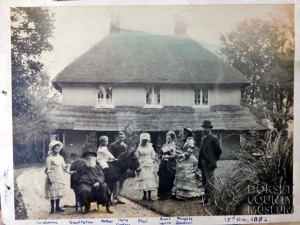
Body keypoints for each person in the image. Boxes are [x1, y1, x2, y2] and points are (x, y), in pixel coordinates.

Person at [172, 128, 203, 200]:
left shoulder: (191, 141)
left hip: (189, 160)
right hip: (184, 160)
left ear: (187, 134)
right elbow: (184, 151)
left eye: (184, 133)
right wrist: (177, 152)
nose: (183, 135)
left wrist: (179, 155)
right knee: (182, 175)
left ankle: (190, 194)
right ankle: (182, 194)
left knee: (187, 174)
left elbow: (188, 153)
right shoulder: (186, 141)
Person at [198, 120, 222, 205]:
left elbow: (219, 151)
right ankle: (206, 199)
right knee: (204, 181)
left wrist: (213, 160)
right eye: (203, 128)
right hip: (202, 163)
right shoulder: (203, 138)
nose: (204, 129)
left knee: (210, 181)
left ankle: (211, 200)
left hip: (209, 164)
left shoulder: (213, 138)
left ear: (209, 129)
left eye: (206, 128)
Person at [44, 140, 68, 213]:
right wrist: (49, 178)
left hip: (59, 176)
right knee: (52, 192)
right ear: (52, 149)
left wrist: (68, 171)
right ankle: (52, 208)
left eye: (58, 148)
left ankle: (57, 207)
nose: (57, 150)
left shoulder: (61, 158)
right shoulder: (49, 158)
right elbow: (48, 170)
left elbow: (64, 166)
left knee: (58, 192)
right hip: (52, 176)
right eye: (55, 149)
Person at [136, 133, 157, 201]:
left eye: (146, 140)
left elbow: (153, 156)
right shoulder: (139, 148)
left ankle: (150, 196)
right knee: (143, 179)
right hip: (142, 164)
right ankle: (144, 195)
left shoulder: (150, 147)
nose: (144, 141)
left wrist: (152, 161)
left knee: (149, 179)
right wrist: (139, 162)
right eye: (143, 140)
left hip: (149, 164)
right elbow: (137, 156)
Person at [108, 131, 127, 204]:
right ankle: (113, 197)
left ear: (124, 137)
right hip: (116, 166)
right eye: (120, 137)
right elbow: (109, 155)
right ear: (117, 137)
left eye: (122, 137)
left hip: (123, 167)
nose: (121, 138)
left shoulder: (126, 145)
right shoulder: (112, 145)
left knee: (122, 181)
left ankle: (119, 197)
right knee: (115, 182)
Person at [157, 131, 177, 200]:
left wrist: (167, 157)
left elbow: (174, 156)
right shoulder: (164, 146)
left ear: (172, 139)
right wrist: (161, 156)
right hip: (163, 164)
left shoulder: (173, 146)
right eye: (167, 138)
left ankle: (168, 194)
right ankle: (162, 195)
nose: (168, 140)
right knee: (162, 178)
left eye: (169, 139)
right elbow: (159, 154)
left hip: (170, 164)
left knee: (169, 178)